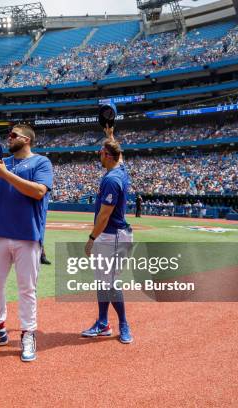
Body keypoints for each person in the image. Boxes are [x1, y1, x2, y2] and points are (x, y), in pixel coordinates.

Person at [0, 124, 53, 362]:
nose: (9, 138)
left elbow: (38, 192)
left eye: (14, 135)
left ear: (26, 139)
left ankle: (28, 334)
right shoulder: (2, 162)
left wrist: (5, 173)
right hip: (0, 233)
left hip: (28, 235)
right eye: (9, 135)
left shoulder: (41, 162)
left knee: (26, 289)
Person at [82, 128, 134, 344]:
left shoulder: (112, 179)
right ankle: (103, 323)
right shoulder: (120, 170)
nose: (99, 156)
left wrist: (91, 238)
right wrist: (110, 135)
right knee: (103, 282)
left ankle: (123, 324)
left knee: (110, 284)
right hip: (113, 235)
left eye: (101, 152)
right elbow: (120, 156)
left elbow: (104, 215)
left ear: (108, 156)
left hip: (111, 236)